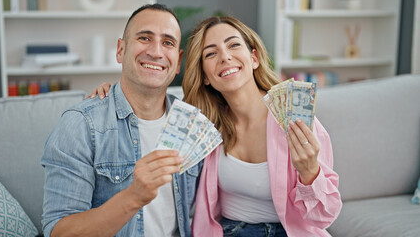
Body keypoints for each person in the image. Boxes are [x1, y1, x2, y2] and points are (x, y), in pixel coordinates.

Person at [92, 16, 342, 237]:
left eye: (234, 45)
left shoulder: (296, 120)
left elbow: (323, 217)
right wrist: (113, 94)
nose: (225, 57)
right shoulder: (202, 125)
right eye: (211, 53)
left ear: (253, 58)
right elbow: (149, 103)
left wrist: (310, 174)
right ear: (204, 76)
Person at [41, 4, 202, 237]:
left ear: (178, 62)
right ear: (120, 50)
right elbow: (59, 232)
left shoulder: (192, 123)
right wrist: (133, 197)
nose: (156, 52)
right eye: (145, 38)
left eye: (167, 42)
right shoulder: (81, 125)